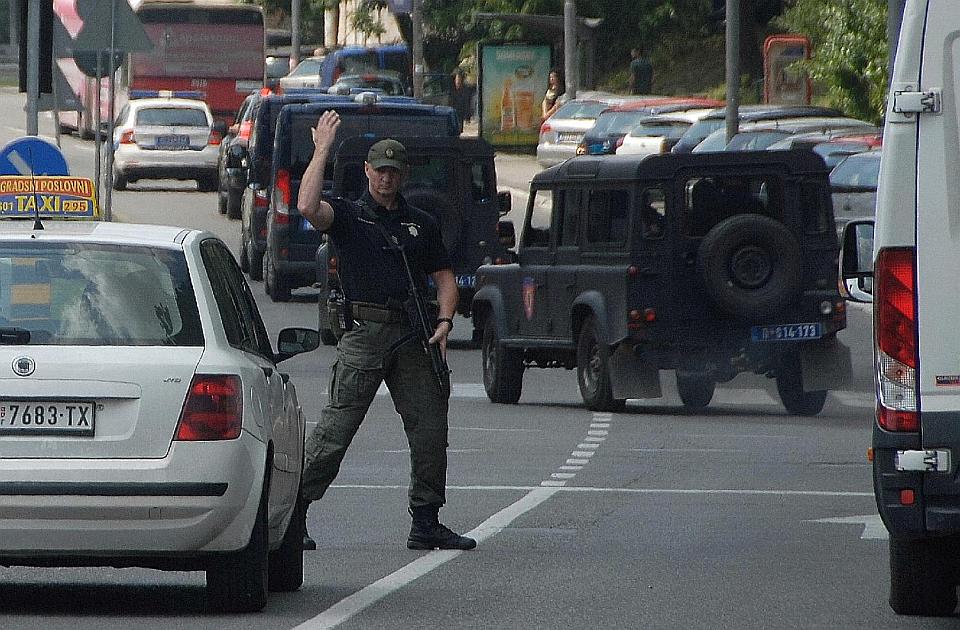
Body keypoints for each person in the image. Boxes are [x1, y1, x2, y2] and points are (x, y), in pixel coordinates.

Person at [296, 110, 477, 552]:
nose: (386, 179)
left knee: (431, 428)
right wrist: (322, 150)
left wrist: (445, 322)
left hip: (413, 334)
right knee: (335, 430)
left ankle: (426, 521)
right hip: (365, 332)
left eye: (394, 172)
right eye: (380, 171)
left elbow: (445, 278)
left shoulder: (420, 223)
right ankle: (292, 514)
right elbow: (305, 206)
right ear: (367, 171)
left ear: (404, 175)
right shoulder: (348, 217)